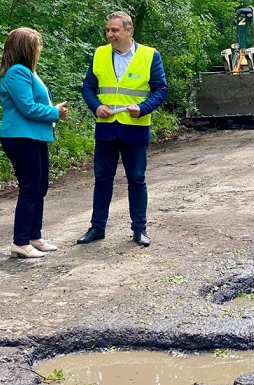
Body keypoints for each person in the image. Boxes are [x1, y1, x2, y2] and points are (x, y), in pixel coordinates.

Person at [77, 11, 168, 247]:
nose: (110, 35)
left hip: (135, 129)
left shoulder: (150, 55)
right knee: (102, 180)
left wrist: (144, 108)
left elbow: (161, 89)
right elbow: (87, 88)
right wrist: (96, 107)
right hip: (106, 129)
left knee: (137, 180)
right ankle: (97, 228)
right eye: (108, 30)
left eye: (114, 30)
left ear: (129, 31)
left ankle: (139, 229)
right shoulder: (99, 54)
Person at [0, 27, 69, 258]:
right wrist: (54, 112)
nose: (40, 49)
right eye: (37, 45)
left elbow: (34, 104)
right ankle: (20, 242)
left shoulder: (27, 71)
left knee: (40, 187)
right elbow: (27, 107)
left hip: (34, 136)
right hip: (20, 137)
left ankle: (34, 237)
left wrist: (53, 112)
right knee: (29, 188)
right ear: (27, 49)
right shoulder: (17, 72)